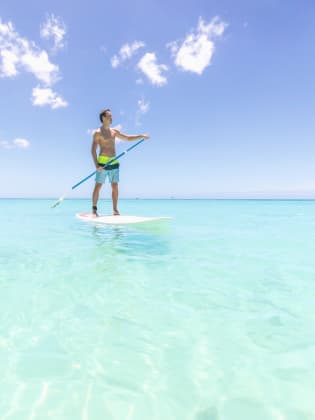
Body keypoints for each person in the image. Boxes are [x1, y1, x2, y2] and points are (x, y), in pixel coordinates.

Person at [91, 108, 150, 216]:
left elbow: (127, 138)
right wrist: (96, 165)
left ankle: (115, 210)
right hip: (102, 163)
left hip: (114, 162)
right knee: (98, 186)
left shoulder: (114, 132)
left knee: (115, 186)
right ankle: (94, 210)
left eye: (111, 116)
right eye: (109, 116)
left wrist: (141, 136)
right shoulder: (97, 133)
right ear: (103, 118)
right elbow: (93, 150)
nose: (111, 117)